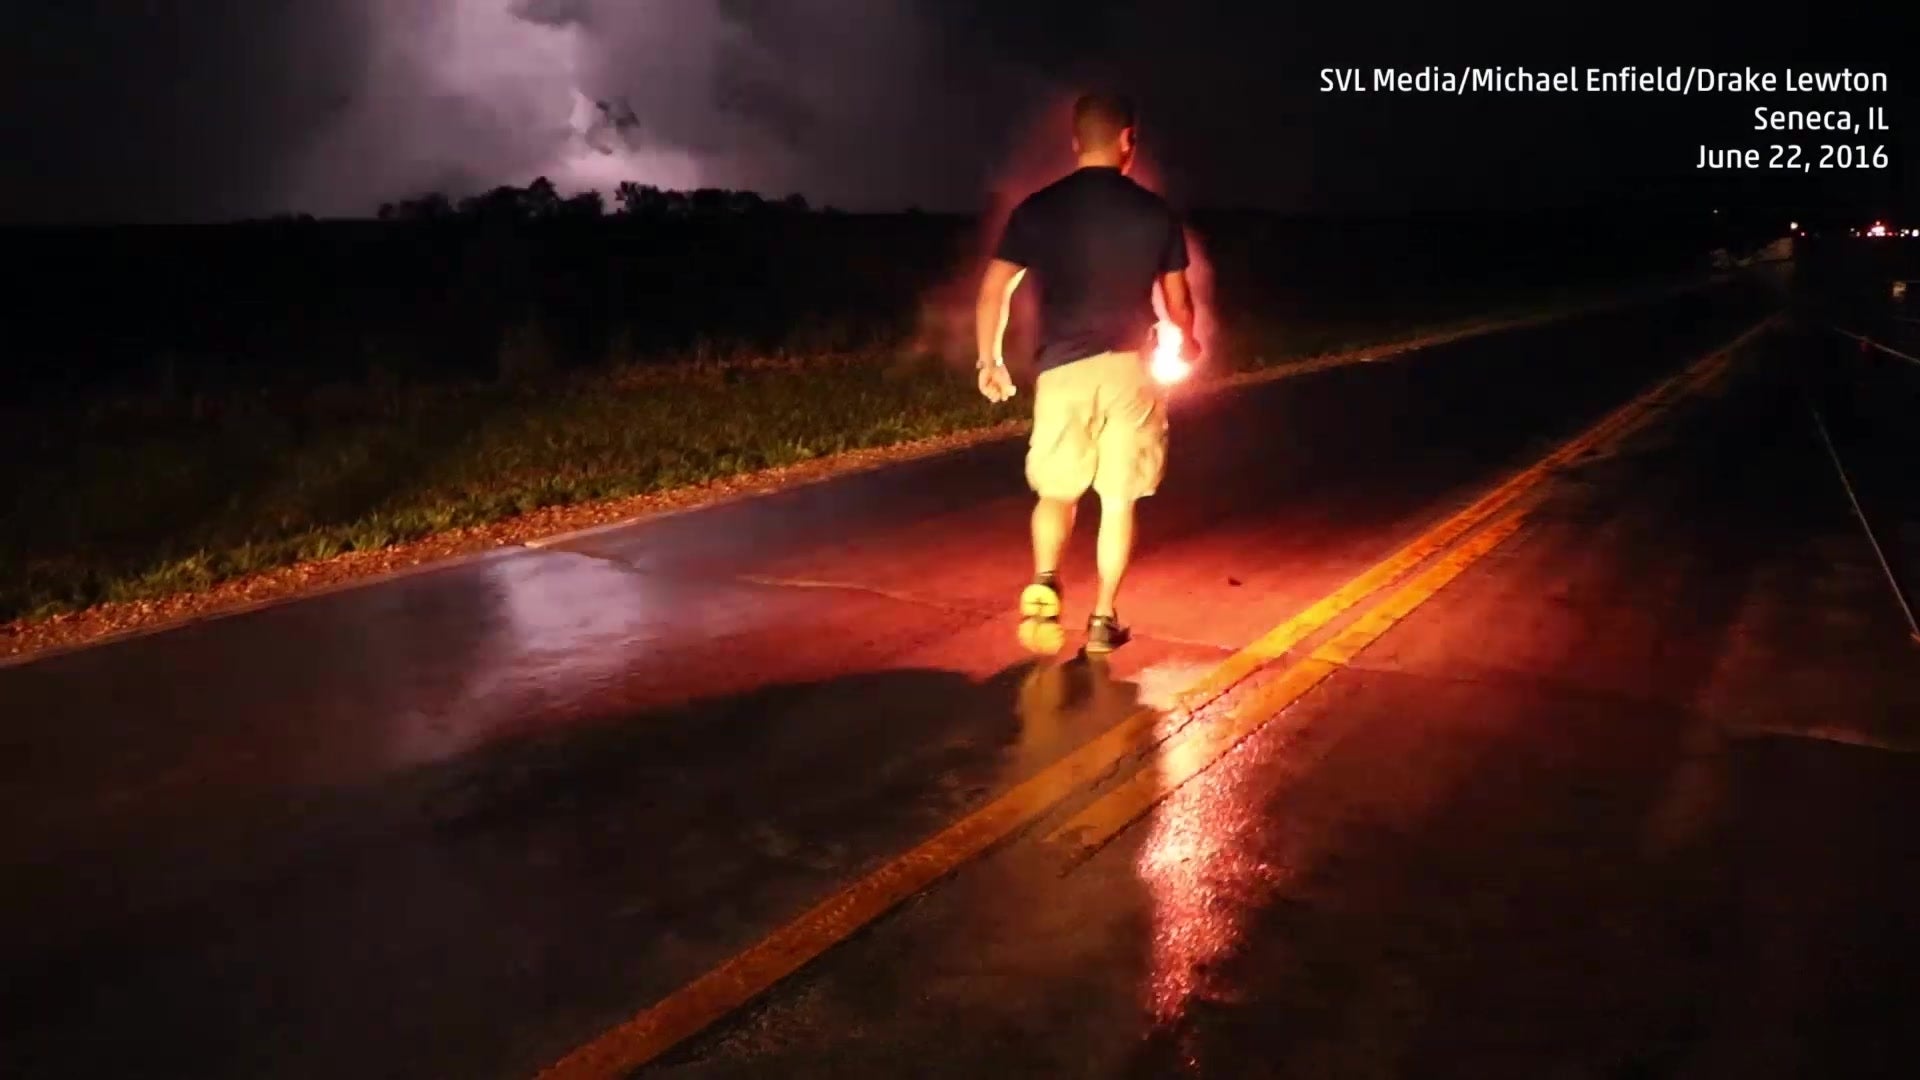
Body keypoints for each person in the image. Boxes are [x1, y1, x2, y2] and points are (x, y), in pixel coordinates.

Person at [975, 92, 1200, 655]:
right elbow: (1178, 300)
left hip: (1061, 371)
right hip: (1130, 370)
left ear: (1076, 141)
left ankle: (1047, 578)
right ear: (1129, 139)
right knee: (1118, 500)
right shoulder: (1154, 212)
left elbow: (994, 289)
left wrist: (990, 358)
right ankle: (1103, 619)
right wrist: (1189, 341)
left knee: (1056, 490)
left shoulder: (1037, 209)